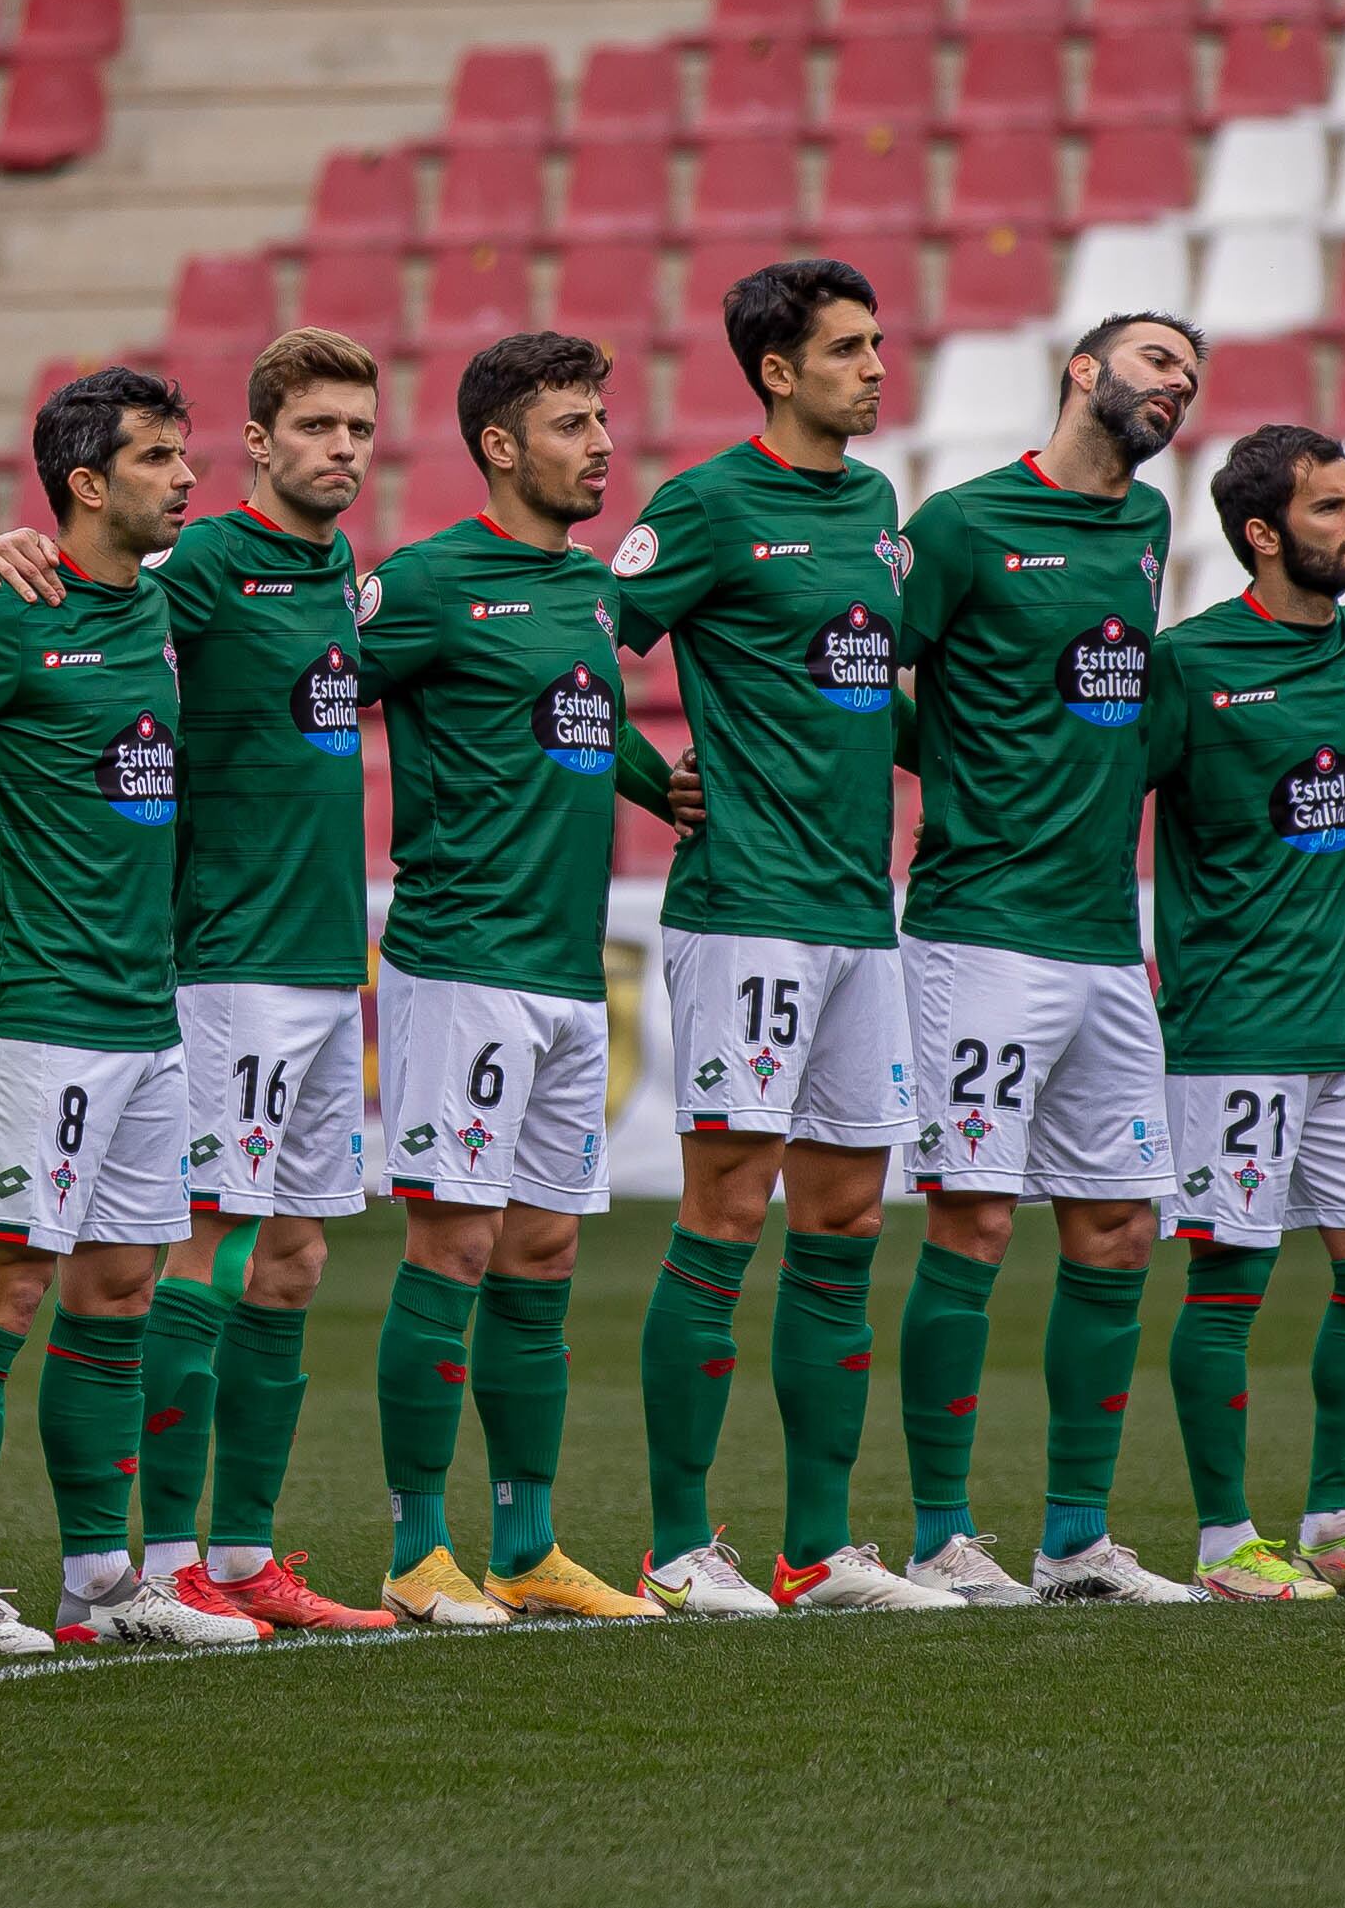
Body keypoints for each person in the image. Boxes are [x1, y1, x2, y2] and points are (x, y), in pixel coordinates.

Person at [0, 328, 399, 1634]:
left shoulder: (340, 576)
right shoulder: (199, 566)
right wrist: (10, 549)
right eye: (316, 427)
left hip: (327, 959)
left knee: (297, 1255)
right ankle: (161, 1558)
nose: (342, 450)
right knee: (196, 1252)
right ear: (259, 444)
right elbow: (92, 597)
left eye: (360, 430)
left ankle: (245, 1549)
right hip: (220, 962)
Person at [609, 260, 959, 1616]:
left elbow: (876, 701)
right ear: (775, 370)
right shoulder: (703, 504)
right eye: (848, 349)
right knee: (724, 1210)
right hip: (745, 913)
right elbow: (580, 650)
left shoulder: (876, 509)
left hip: (858, 920)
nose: (876, 367)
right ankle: (678, 1544)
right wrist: (652, 780)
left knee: (847, 1217)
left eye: (879, 343)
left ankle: (819, 1549)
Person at [0, 368, 263, 1654]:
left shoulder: (160, 602)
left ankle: (99, 1580)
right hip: (38, 1011)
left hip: (144, 1016)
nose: (188, 478)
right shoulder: (4, 615)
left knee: (118, 1291)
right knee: (2, 1290)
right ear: (86, 483)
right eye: (162, 458)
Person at [358, 331, 696, 1626]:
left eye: (602, 419)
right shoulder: (431, 583)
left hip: (566, 965)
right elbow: (311, 687)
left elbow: (581, 719)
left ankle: (529, 1543)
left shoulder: (592, 599)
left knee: (543, 1246)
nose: (602, 442)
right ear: (499, 446)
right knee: (454, 1240)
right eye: (571, 424)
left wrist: (653, 786)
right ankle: (415, 1547)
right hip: (462, 961)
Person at [892, 311, 1202, 1606]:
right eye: (1155, 364)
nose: (1175, 389)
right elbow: (870, 679)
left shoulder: (1146, 531)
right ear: (1084, 372)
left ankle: (1075, 1538)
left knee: (1120, 1227)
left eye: (1190, 378)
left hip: (1099, 933)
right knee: (971, 1214)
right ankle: (940, 1536)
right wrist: (960, 771)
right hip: (981, 926)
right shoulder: (959, 526)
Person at [1144, 427, 1345, 1603]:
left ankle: (1334, 1523)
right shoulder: (1187, 661)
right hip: (1231, 1028)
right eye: (1332, 507)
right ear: (1264, 534)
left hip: (1342, 1026)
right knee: (1229, 1276)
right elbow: (1085, 789)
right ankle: (1226, 1542)